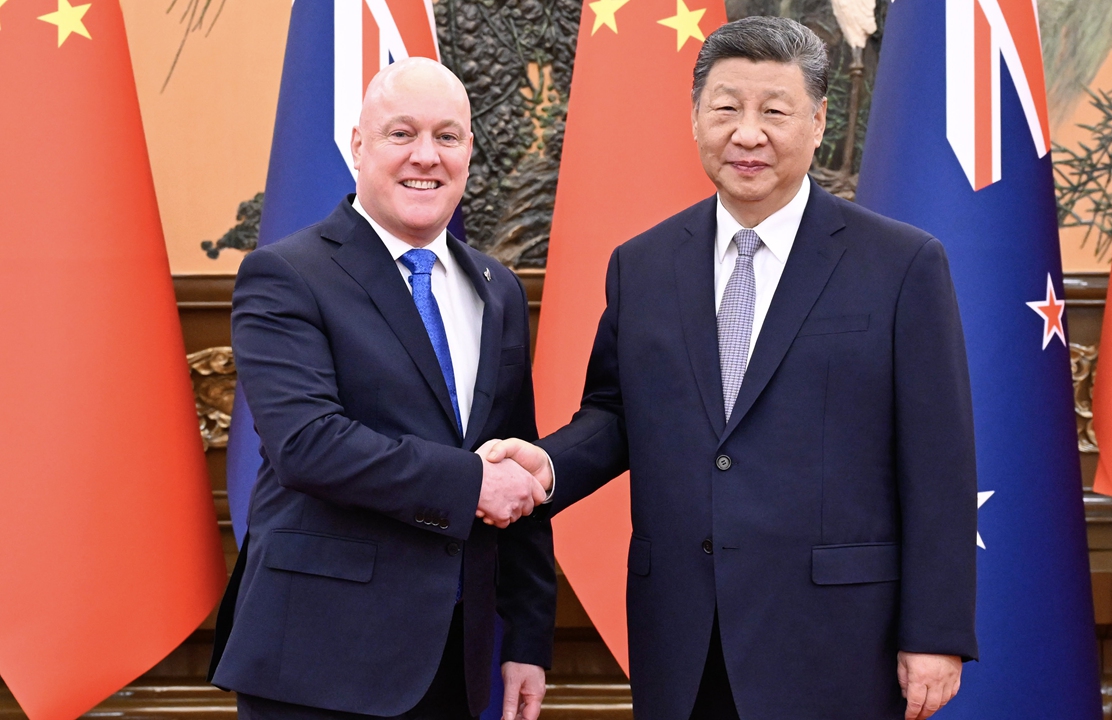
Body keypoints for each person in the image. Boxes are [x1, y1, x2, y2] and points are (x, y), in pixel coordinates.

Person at [486, 16, 978, 720]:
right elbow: (618, 414)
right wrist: (547, 466)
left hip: (838, 638)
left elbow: (939, 460)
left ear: (817, 120)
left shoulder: (900, 265)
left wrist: (935, 632)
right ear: (695, 119)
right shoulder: (644, 265)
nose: (748, 134)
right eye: (726, 109)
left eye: (774, 112)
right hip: (686, 632)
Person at [208, 58, 556, 720]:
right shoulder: (285, 274)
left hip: (457, 659)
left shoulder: (498, 289)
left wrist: (528, 639)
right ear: (359, 145)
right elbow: (308, 444)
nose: (426, 156)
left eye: (447, 136)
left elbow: (517, 457)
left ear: (469, 151)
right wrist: (470, 485)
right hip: (319, 663)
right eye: (402, 133)